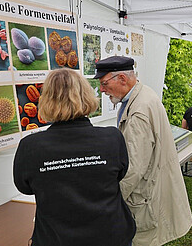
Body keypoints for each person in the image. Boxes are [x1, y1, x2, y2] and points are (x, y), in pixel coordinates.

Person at [13, 68, 136, 246]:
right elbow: (120, 174)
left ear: (46, 100)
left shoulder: (31, 146)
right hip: (111, 235)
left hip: (56, 238)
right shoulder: (112, 138)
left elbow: (25, 187)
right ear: (86, 95)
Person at [95, 56, 192, 246]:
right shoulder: (142, 95)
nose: (102, 89)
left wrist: (112, 201)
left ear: (122, 79)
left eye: (104, 83)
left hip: (146, 194)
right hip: (151, 187)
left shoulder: (139, 110)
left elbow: (134, 167)